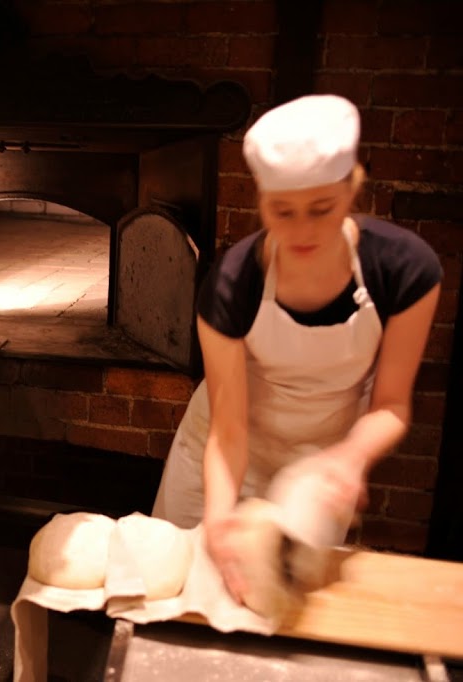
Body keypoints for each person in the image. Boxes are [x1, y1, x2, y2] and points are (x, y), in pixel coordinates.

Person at [151, 94, 442, 603]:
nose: (302, 230)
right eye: (282, 211)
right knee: (182, 600)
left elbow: (392, 405)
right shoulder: (232, 283)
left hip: (316, 473)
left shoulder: (405, 269)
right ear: (260, 199)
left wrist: (351, 459)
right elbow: (229, 429)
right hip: (221, 457)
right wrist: (219, 519)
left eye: (322, 209)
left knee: (281, 614)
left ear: (352, 187)